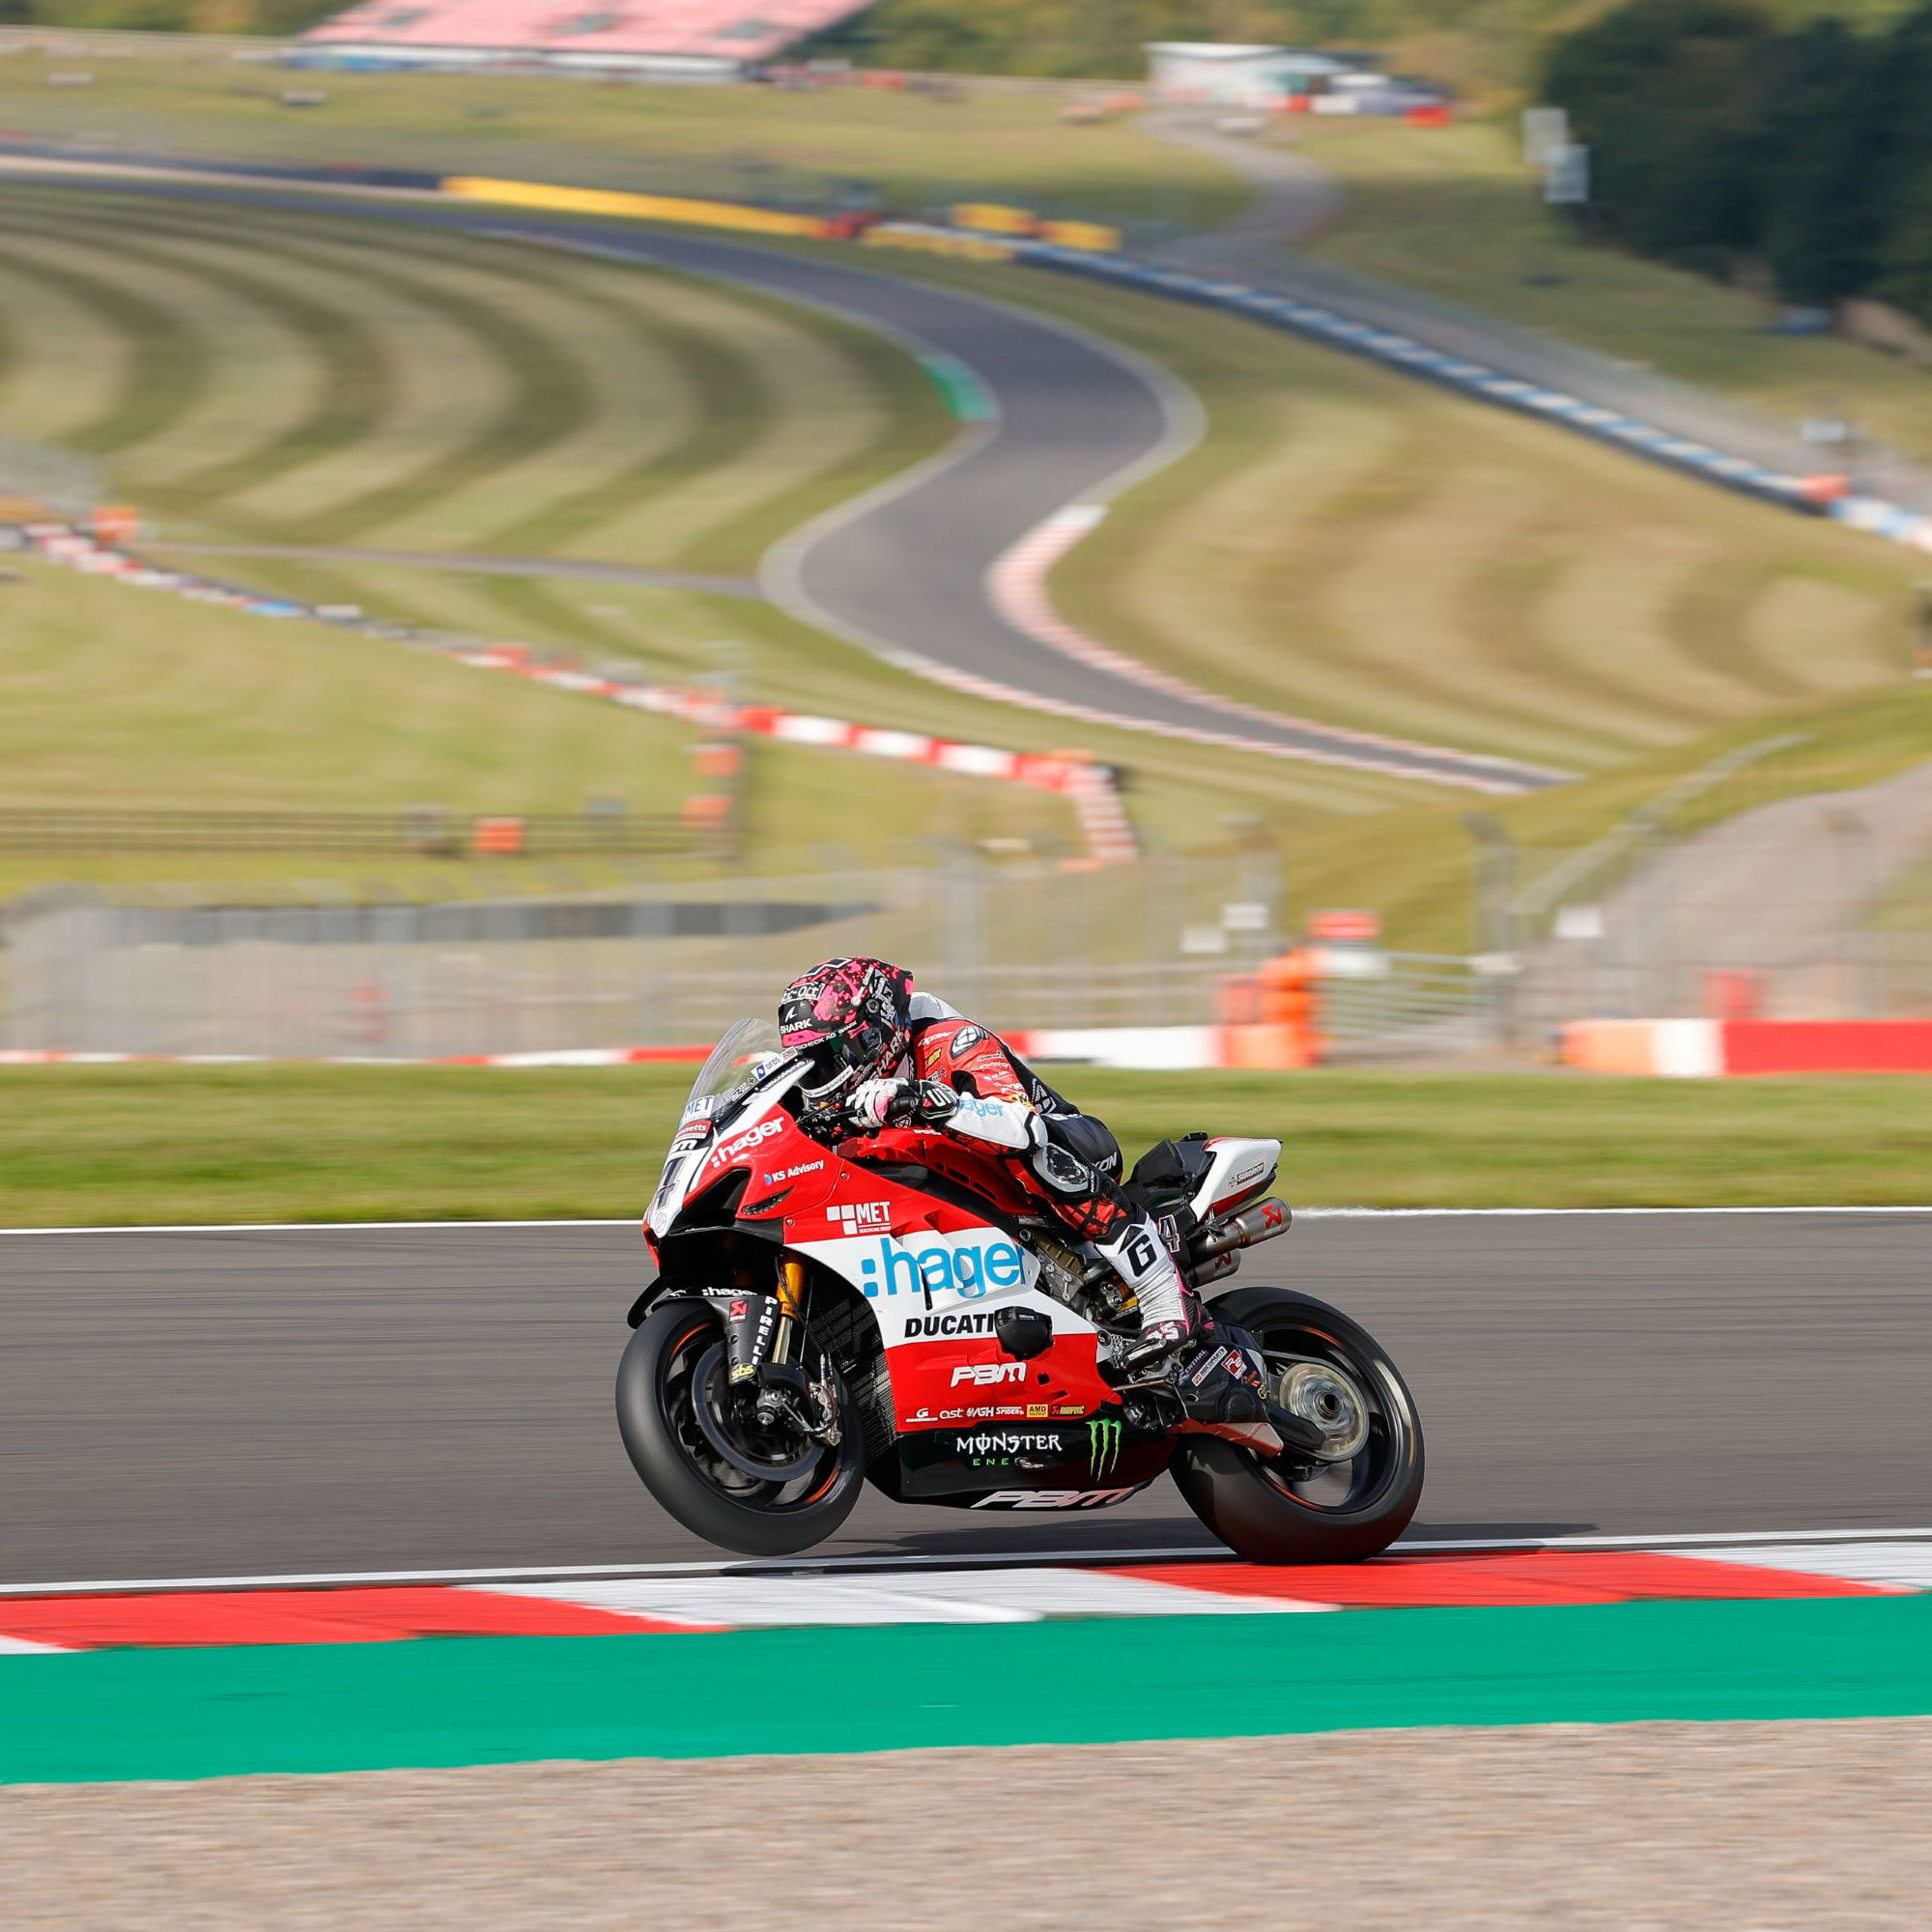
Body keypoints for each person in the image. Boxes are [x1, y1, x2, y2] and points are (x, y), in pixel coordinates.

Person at [778, 956, 1273, 1431]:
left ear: (874, 1031)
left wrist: (927, 1100)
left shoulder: (950, 1041)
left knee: (1035, 1154)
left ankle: (1165, 1296)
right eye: (810, 1061)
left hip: (1065, 1143)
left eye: (829, 1058)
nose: (822, 1074)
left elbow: (1022, 1126)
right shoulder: (834, 1084)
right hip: (969, 1187)